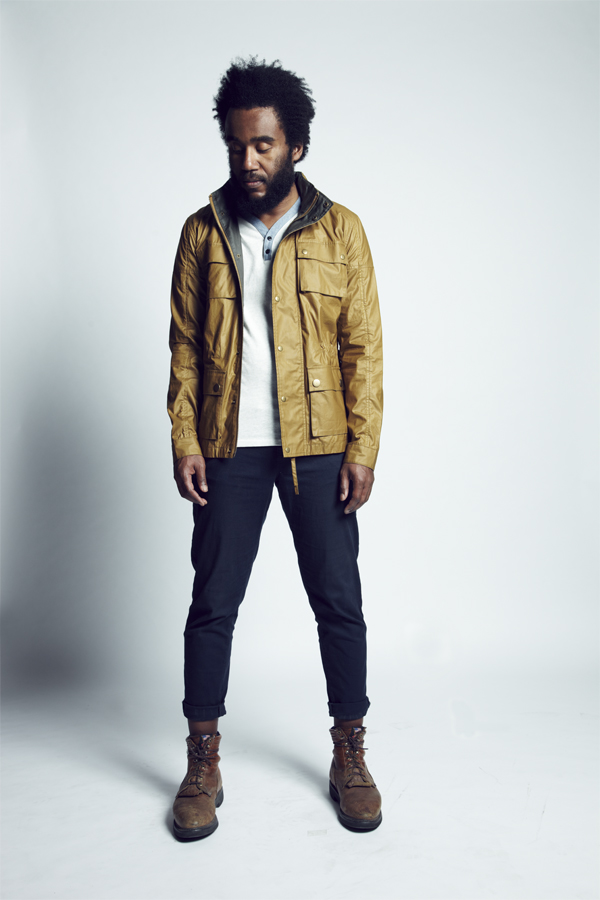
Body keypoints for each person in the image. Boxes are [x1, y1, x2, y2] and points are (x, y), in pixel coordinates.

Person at [167, 58, 384, 840]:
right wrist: (184, 435)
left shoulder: (340, 230)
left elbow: (363, 347)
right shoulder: (202, 230)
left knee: (339, 603)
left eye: (262, 146)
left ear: (296, 144)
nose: (247, 161)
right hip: (228, 447)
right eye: (236, 147)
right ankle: (201, 759)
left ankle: (350, 751)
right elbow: (185, 348)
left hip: (319, 446)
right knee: (212, 606)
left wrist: (363, 447)